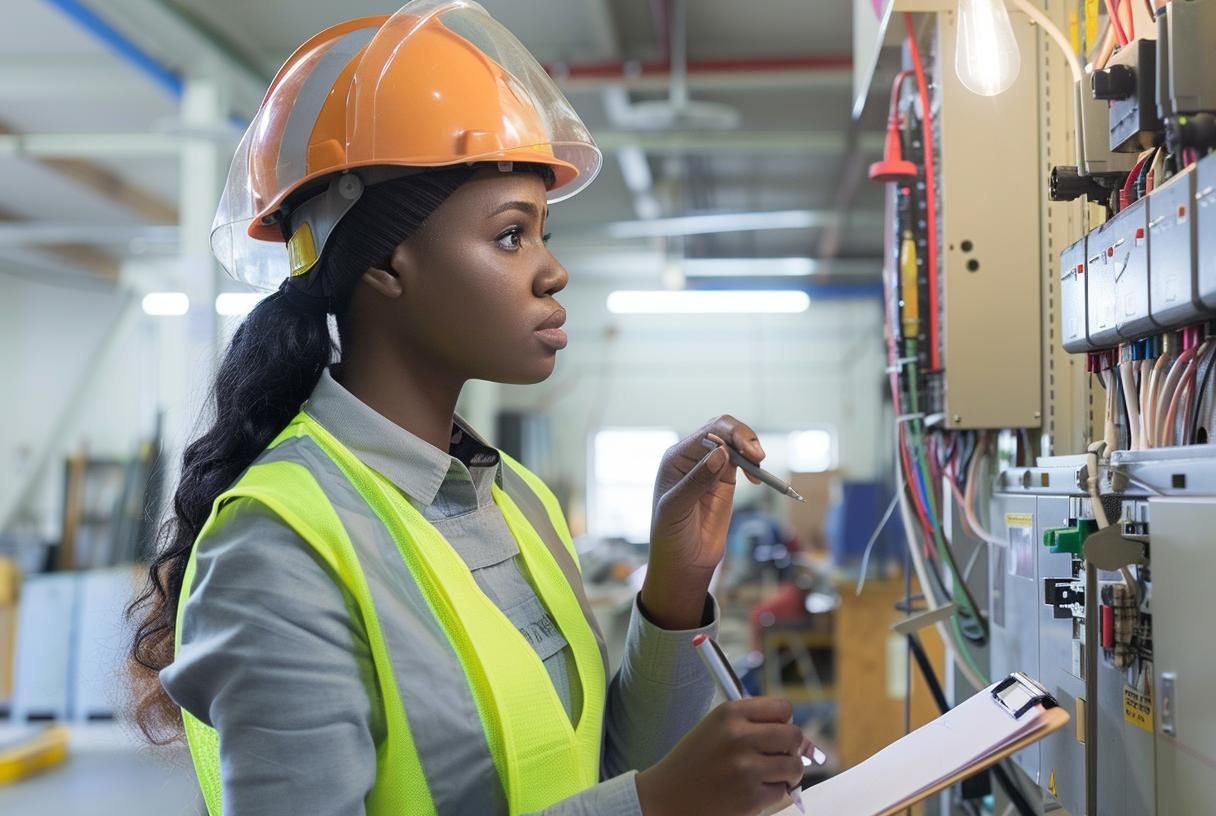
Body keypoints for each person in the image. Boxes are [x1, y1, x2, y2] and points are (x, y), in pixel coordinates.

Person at [125, 2, 805, 814]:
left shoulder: (516, 499)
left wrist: (677, 578)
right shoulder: (278, 550)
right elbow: (633, 798)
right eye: (512, 236)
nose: (553, 273)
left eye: (543, 233)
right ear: (387, 264)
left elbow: (605, 766)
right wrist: (654, 804)